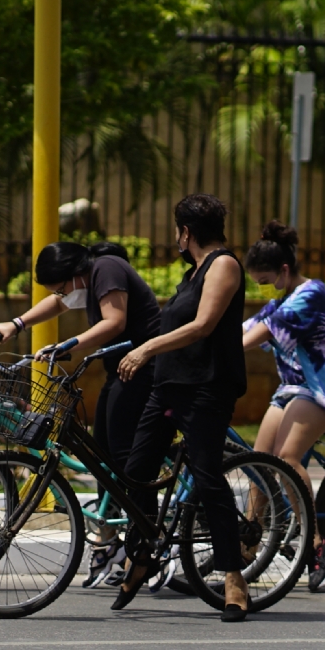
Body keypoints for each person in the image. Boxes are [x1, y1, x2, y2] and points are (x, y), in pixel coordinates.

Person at [0, 240, 162, 586]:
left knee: (128, 459)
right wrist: (16, 324)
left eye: (62, 287)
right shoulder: (86, 277)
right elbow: (58, 302)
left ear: (75, 274)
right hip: (122, 368)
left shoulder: (106, 268)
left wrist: (69, 345)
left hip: (147, 368)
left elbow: (114, 320)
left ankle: (145, 542)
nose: (61, 295)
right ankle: (112, 536)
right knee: (103, 452)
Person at [115, 194, 253, 621]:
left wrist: (146, 349)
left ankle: (234, 578)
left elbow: (204, 325)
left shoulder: (223, 266)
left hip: (207, 389)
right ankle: (142, 555)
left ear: (186, 232)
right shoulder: (191, 274)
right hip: (168, 387)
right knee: (135, 472)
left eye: (178, 230)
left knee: (208, 477)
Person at [241, 220, 325, 592]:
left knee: (287, 458)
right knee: (259, 461)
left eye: (267, 279)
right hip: (291, 390)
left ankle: (318, 543)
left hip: (322, 390)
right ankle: (248, 544)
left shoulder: (311, 294)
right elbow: (242, 329)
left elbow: (265, 332)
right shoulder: (279, 301)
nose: (264, 289)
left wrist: (222, 351)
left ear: (285, 270)